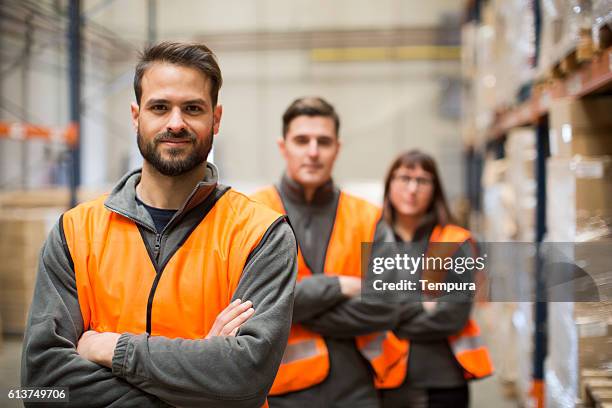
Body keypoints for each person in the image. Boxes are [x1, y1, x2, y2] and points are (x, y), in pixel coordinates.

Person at [21, 41, 297, 408]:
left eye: (193, 108)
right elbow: (42, 386)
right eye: (160, 107)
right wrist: (203, 375)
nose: (176, 123)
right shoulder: (75, 232)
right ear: (136, 116)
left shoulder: (261, 232)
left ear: (215, 118)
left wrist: (112, 349)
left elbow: (245, 377)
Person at [252, 97, 404, 408]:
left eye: (323, 141)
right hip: (276, 391)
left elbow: (388, 305)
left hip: (357, 392)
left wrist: (289, 309)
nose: (312, 152)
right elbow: (249, 305)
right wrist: (339, 286)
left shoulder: (368, 216)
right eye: (301, 140)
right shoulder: (252, 213)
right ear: (283, 147)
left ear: (337, 147)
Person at [377, 150, 493, 408]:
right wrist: (423, 304)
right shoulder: (370, 240)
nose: (412, 189)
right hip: (380, 379)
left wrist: (384, 315)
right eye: (404, 178)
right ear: (389, 184)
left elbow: (452, 315)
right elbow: (354, 309)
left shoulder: (454, 241)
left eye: (422, 181)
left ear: (435, 189)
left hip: (441, 383)